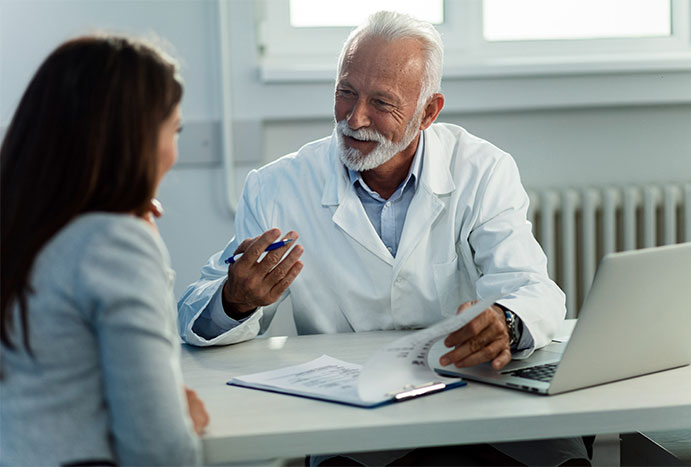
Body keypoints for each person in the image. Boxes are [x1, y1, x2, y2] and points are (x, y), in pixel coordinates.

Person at [178, 11, 591, 466]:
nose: (355, 118)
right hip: (359, 426)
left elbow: (533, 288)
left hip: (486, 405)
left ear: (428, 111)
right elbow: (195, 312)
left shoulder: (482, 170)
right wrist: (235, 299)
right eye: (345, 93)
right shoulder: (278, 186)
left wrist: (506, 322)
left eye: (382, 102)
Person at [0, 36, 208, 465]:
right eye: (175, 130)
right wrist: (180, 418)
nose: (173, 151)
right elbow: (161, 452)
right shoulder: (110, 244)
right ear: (132, 140)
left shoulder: (21, 230)